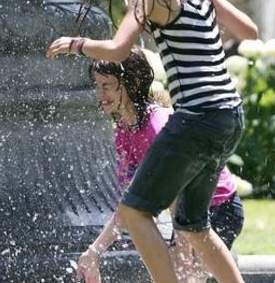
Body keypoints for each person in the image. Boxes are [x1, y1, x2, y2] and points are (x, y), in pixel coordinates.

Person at [47, 0, 258, 283]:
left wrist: (75, 44)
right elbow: (249, 31)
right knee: (193, 225)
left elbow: (118, 49)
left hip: (197, 117)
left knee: (135, 210)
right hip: (229, 116)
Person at [76, 48, 244, 283]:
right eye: (97, 85)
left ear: (132, 83)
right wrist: (93, 252)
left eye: (106, 85)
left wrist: (184, 255)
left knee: (185, 275)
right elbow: (130, 205)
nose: (100, 93)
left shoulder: (157, 126)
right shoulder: (124, 133)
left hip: (218, 209)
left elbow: (179, 194)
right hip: (186, 218)